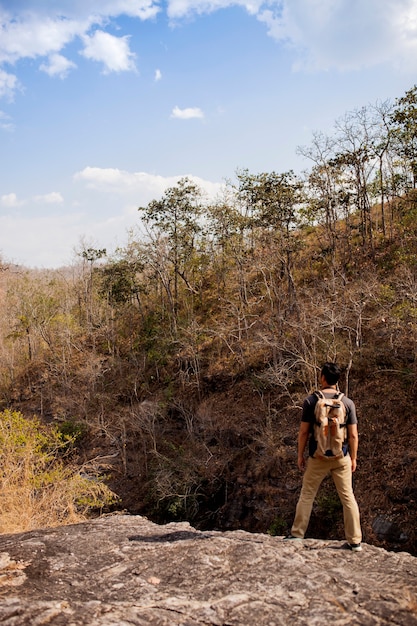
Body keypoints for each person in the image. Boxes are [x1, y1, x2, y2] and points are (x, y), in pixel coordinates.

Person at [286, 362, 362, 551]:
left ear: (322, 378)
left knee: (307, 494)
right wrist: (353, 458)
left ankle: (297, 535)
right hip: (340, 457)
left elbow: (303, 432)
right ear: (337, 380)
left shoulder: (311, 401)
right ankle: (355, 541)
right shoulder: (347, 403)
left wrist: (300, 455)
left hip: (317, 457)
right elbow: (353, 435)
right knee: (347, 497)